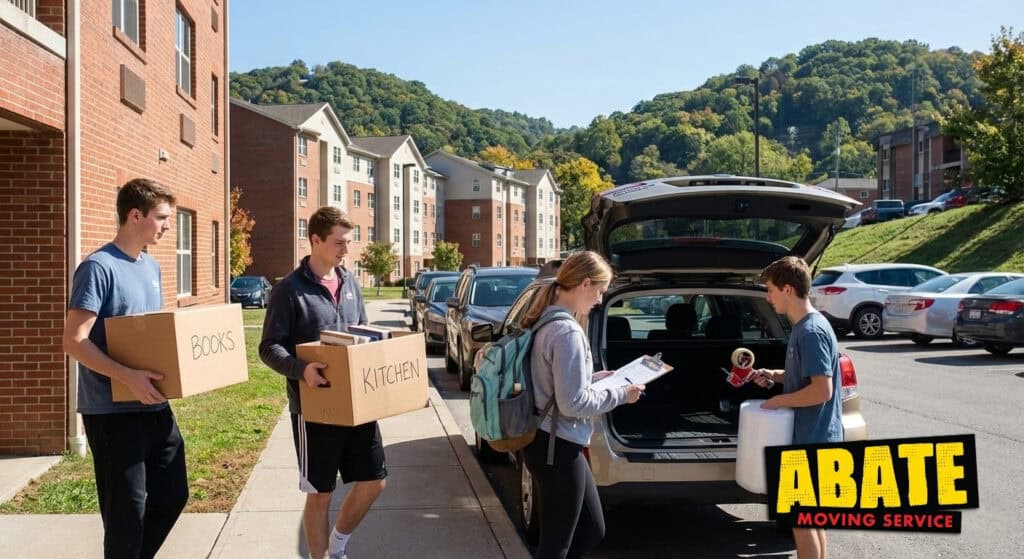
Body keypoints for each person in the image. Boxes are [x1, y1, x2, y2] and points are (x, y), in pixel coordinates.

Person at [63, 178, 187, 559]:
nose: (168, 225)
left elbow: (149, 333)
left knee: (173, 495)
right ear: (136, 216)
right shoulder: (98, 268)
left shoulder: (151, 266)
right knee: (125, 515)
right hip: (112, 413)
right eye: (162, 217)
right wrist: (127, 376)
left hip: (154, 405)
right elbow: (73, 341)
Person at [260, 206, 381, 559]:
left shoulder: (351, 283)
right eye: (339, 242)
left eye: (349, 242)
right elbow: (268, 348)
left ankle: (338, 545)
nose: (347, 250)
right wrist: (302, 370)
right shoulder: (289, 290)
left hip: (357, 405)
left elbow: (363, 333)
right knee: (321, 491)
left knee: (375, 480)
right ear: (315, 239)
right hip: (314, 409)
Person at [520, 251, 645, 559]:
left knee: (590, 530)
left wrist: (594, 377)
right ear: (586, 284)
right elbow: (573, 403)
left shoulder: (547, 320)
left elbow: (554, 382)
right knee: (557, 545)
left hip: (548, 441)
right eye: (601, 291)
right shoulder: (567, 332)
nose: (600, 300)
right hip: (557, 446)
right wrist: (621, 395)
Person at [754, 256, 844, 559]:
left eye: (770, 290)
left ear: (788, 289)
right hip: (814, 437)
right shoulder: (806, 327)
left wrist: (779, 401)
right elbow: (805, 378)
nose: (767, 297)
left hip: (813, 440)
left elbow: (821, 389)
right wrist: (774, 375)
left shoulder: (811, 331)